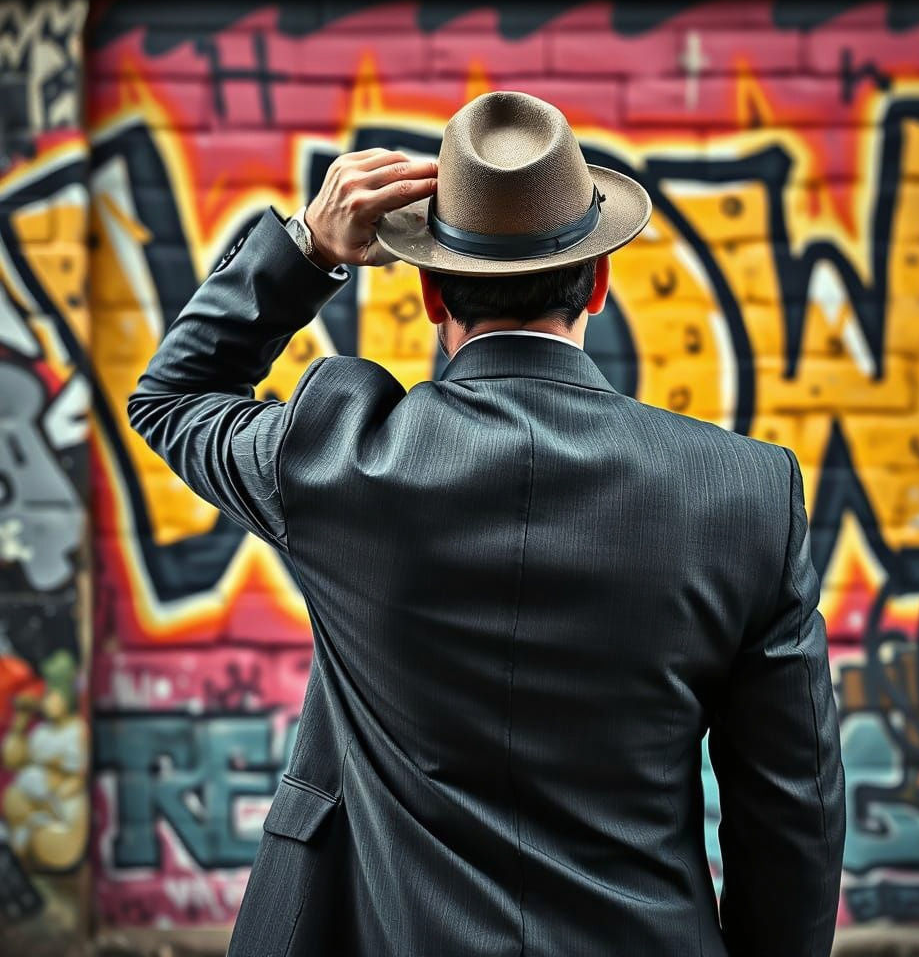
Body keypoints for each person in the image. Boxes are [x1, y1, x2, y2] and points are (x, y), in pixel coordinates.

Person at [127, 91, 846, 956]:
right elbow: (792, 811)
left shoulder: (338, 460)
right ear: (602, 282)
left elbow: (171, 397)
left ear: (430, 293)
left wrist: (310, 251)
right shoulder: (745, 492)